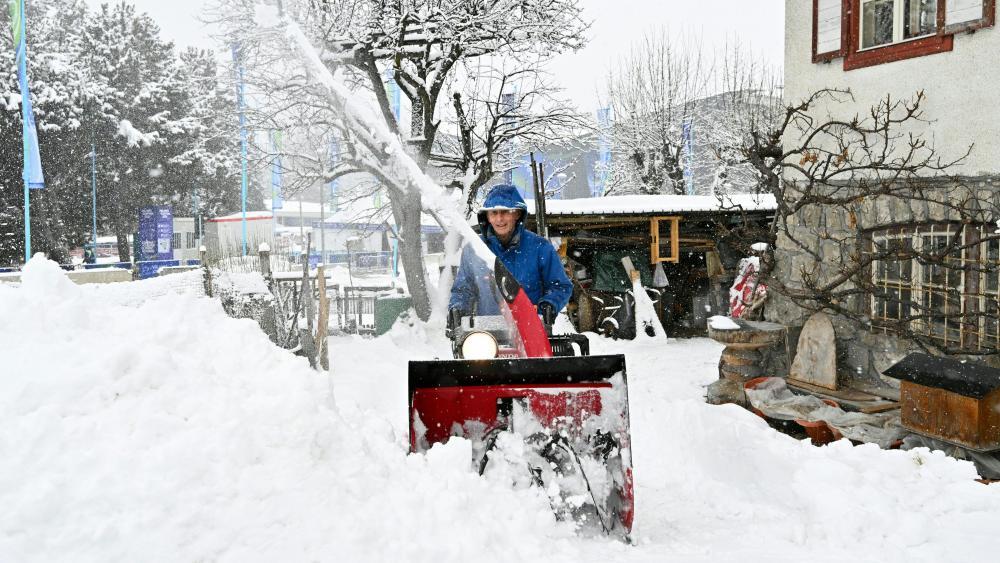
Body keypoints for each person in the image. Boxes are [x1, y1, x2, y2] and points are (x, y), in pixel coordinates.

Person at [448, 184, 572, 333]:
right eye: (493, 213)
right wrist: (457, 307)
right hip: (486, 334)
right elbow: (463, 289)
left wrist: (550, 303)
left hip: (532, 331)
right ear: (486, 216)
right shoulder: (474, 249)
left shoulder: (540, 248)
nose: (499, 218)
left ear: (517, 214)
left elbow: (560, 286)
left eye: (505, 212)